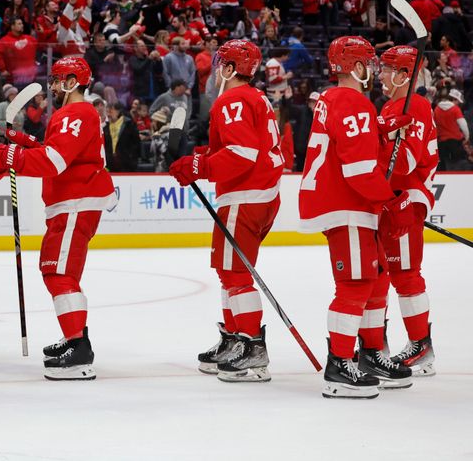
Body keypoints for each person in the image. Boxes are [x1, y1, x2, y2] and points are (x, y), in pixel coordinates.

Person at [0, 56, 117, 380]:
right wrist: (26, 142)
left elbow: (54, 162)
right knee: (59, 271)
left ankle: (78, 350)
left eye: (59, 80)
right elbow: (61, 152)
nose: (54, 86)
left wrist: (11, 155)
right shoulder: (76, 114)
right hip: (72, 202)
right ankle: (75, 337)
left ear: (73, 81)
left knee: (58, 273)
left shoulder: (77, 112)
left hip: (76, 202)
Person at [298, 36, 414, 399]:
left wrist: (380, 132)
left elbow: (345, 144)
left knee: (373, 278)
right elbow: (361, 170)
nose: (375, 70)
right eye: (370, 63)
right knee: (355, 284)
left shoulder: (332, 98)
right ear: (358, 67)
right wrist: (392, 199)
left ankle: (368, 354)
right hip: (347, 203)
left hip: (342, 202)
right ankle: (340, 365)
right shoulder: (356, 103)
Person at [169, 39, 284, 382]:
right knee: (228, 271)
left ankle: (251, 348)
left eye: (221, 63)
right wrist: (201, 158)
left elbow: (241, 154)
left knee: (235, 275)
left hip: (245, 196)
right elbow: (243, 147)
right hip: (259, 195)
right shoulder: (255, 97)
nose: (216, 70)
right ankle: (235, 340)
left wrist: (198, 167)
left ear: (232, 69)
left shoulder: (231, 99)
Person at [376, 46, 439, 378]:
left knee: (405, 275)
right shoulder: (392, 105)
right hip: (391, 200)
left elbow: (405, 162)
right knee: (380, 276)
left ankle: (421, 345)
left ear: (403, 74)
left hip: (405, 199)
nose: (380, 75)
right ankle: (377, 347)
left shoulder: (415, 105)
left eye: (386, 70)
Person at [0, 17, 37, 87]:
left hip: (31, 78)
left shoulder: (30, 38)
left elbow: (41, 47)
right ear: (12, 26)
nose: (22, 25)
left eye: (22, 23)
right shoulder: (4, 41)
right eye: (19, 24)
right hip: (13, 79)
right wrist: (3, 69)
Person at [434, 89, 470, 170]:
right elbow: (463, 124)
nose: (458, 104)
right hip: (455, 142)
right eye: (458, 101)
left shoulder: (437, 109)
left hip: (441, 142)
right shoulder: (455, 109)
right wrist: (467, 137)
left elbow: (434, 125)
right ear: (454, 99)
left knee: (443, 164)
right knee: (459, 163)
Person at [103, 101, 140, 172]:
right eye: (107, 111)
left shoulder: (129, 125)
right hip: (110, 165)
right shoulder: (105, 128)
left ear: (118, 111)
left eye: (111, 111)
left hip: (127, 164)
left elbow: (136, 144)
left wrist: (130, 157)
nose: (108, 114)